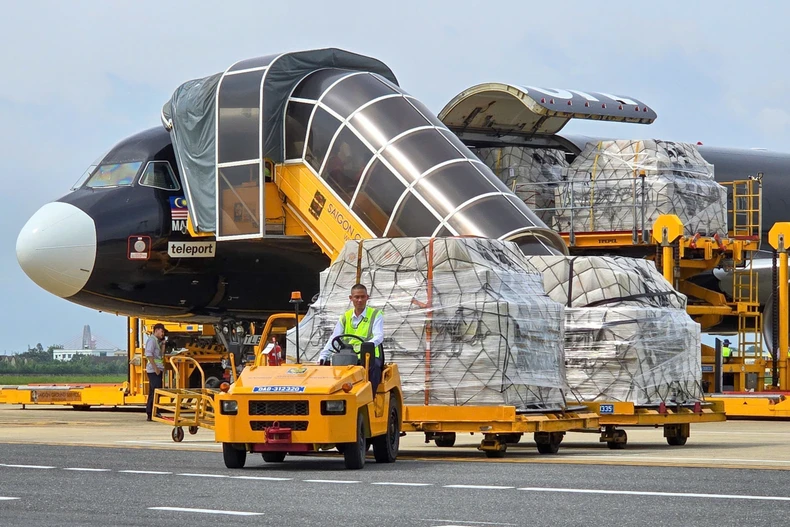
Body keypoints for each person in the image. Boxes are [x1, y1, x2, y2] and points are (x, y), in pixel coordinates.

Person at [318, 284, 384, 393]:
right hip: (347, 355)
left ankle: (370, 397)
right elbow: (334, 337)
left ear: (367, 297)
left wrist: (367, 346)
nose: (359, 300)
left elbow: (379, 335)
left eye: (362, 297)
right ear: (351, 298)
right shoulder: (345, 317)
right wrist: (324, 355)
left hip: (369, 356)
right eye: (356, 297)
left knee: (374, 368)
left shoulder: (375, 315)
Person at [145, 323, 166, 421]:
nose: (162, 334)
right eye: (162, 331)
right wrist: (156, 368)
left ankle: (153, 412)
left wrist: (163, 345)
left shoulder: (157, 341)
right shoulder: (152, 340)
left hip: (157, 369)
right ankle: (152, 413)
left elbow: (160, 356)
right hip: (154, 370)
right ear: (156, 330)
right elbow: (148, 354)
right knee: (155, 391)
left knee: (154, 391)